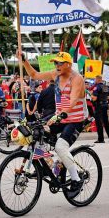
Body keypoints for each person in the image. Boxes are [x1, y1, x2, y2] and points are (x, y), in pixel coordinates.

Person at [18, 51, 86, 199]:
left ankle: (76, 180)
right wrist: (24, 61)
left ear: (68, 64)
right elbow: (35, 75)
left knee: (61, 146)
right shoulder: (55, 75)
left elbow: (74, 99)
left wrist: (62, 113)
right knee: (37, 134)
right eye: (55, 63)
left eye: (60, 63)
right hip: (59, 118)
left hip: (74, 120)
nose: (57, 66)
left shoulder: (77, 78)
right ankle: (50, 166)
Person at [91, 75, 109, 143]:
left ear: (98, 79)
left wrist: (91, 95)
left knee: (99, 123)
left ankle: (101, 139)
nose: (95, 80)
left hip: (99, 106)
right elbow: (108, 97)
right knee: (106, 122)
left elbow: (95, 98)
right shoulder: (106, 86)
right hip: (105, 105)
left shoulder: (97, 87)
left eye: (95, 79)